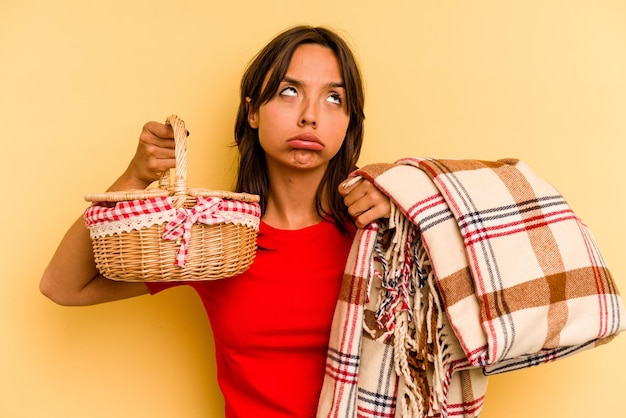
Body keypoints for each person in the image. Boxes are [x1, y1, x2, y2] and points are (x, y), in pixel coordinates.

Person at [40, 25, 391, 417]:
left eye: (333, 97)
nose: (310, 116)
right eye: (289, 91)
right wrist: (136, 177)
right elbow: (62, 286)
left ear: (349, 122)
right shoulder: (213, 234)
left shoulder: (380, 227)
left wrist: (409, 191)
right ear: (252, 112)